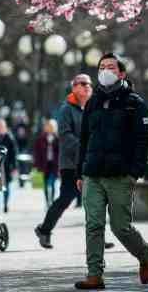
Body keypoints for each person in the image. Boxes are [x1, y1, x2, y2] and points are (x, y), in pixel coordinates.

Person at [74, 53, 148, 289]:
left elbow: (144, 139)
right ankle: (94, 275)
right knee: (93, 225)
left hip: (120, 176)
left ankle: (144, 253)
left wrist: (135, 172)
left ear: (121, 73)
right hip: (93, 174)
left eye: (111, 67)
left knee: (120, 227)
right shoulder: (93, 102)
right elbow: (84, 139)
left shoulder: (134, 103)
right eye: (102, 67)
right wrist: (80, 172)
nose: (105, 70)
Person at [35, 74, 99, 249]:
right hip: (71, 164)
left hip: (90, 162)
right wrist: (85, 146)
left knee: (94, 199)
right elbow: (65, 136)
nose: (87, 87)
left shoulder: (92, 108)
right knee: (66, 198)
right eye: (83, 84)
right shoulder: (66, 109)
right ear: (74, 88)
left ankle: (97, 238)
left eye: (90, 84)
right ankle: (45, 230)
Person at [33, 119, 60, 208]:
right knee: (45, 184)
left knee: (52, 183)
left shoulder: (58, 138)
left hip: (54, 164)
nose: (50, 128)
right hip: (44, 164)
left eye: (52, 126)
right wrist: (36, 164)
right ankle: (47, 201)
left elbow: (61, 152)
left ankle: (51, 201)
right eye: (48, 126)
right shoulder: (40, 138)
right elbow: (36, 153)